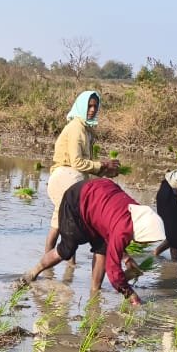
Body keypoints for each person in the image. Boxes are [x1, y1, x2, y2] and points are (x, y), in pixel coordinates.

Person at [22, 178, 165, 305]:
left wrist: (126, 259)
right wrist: (130, 294)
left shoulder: (137, 214)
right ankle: (33, 272)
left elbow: (111, 234)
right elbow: (113, 270)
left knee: (102, 249)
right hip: (76, 199)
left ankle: (94, 293)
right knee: (67, 249)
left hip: (97, 200)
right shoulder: (123, 230)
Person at [44, 90, 120, 261]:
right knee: (63, 224)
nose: (92, 109)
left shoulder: (85, 129)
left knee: (67, 224)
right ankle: (54, 265)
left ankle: (61, 265)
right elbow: (77, 162)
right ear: (80, 106)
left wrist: (105, 170)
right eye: (89, 106)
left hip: (73, 178)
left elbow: (84, 164)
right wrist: (103, 165)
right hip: (65, 177)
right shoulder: (77, 128)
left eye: (95, 106)